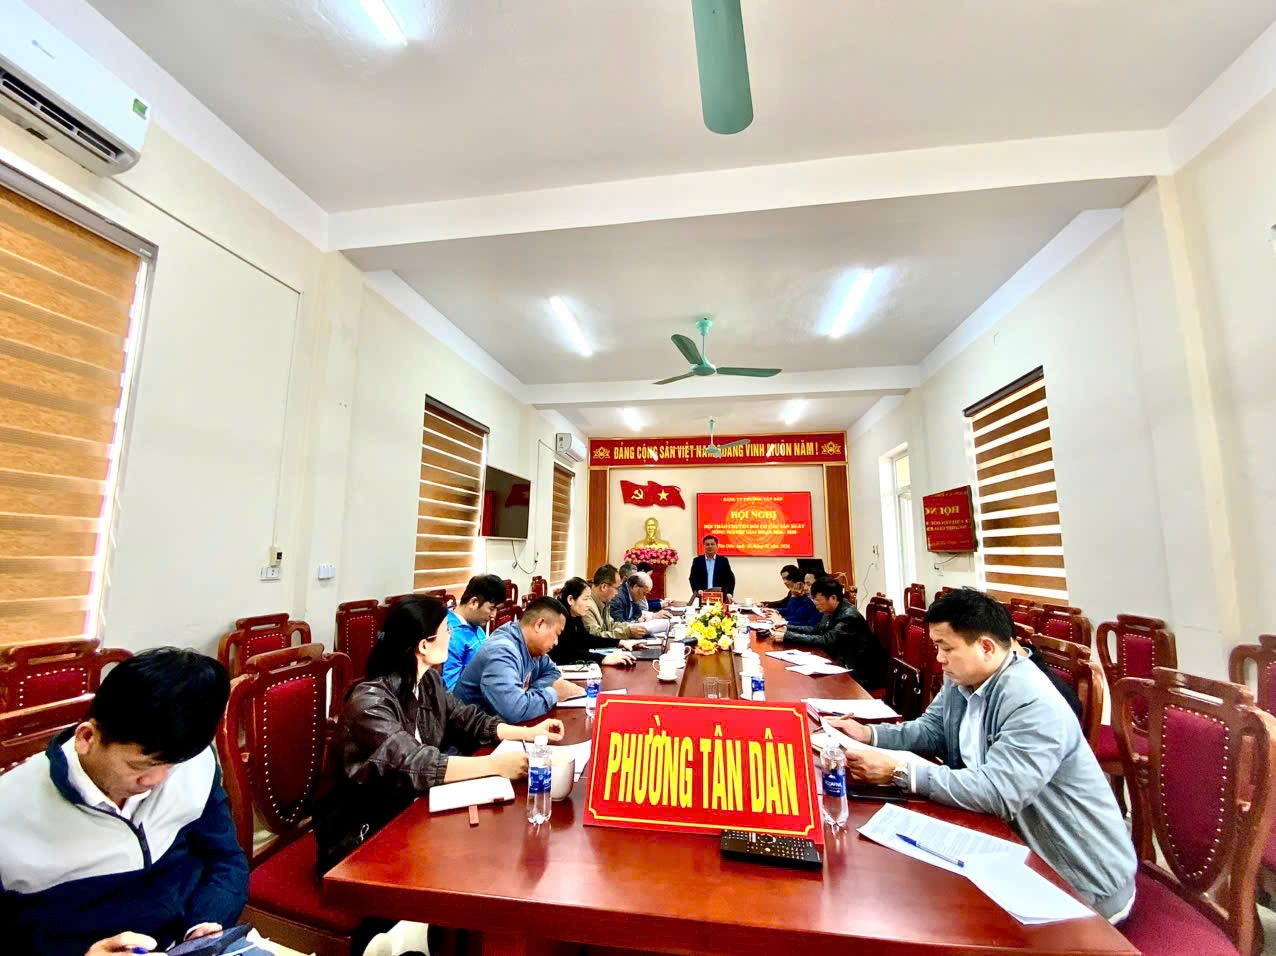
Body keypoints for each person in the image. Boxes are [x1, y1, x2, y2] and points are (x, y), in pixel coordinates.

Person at [828, 588, 1136, 921]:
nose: (939, 659)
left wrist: (900, 771)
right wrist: (868, 734)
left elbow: (998, 792)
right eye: (936, 647)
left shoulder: (1032, 701)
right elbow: (932, 730)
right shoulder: (964, 678)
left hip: (1078, 882)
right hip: (1009, 848)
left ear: (986, 647)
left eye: (947, 648)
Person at [0, 648, 248, 956]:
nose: (156, 780)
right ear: (86, 737)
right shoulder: (9, 811)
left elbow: (225, 859)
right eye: (138, 766)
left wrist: (203, 926)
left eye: (172, 765)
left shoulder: (192, 763)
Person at [315, 596, 563, 873]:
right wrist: (496, 765)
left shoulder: (428, 681)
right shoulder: (369, 703)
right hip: (365, 834)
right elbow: (416, 763)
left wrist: (528, 732)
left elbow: (469, 719)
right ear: (424, 645)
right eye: (447, 629)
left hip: (412, 809)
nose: (451, 636)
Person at [454, 597, 585, 722]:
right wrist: (553, 693)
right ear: (540, 624)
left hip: (498, 729)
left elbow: (553, 673)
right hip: (470, 735)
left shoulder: (532, 648)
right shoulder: (501, 651)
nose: (556, 642)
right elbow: (514, 711)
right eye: (557, 634)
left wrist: (530, 693)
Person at [770, 576, 885, 690]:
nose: (815, 603)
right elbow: (816, 629)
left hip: (859, 673)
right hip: (841, 661)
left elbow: (827, 640)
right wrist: (787, 628)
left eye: (818, 600)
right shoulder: (831, 609)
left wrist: (788, 636)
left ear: (833, 598)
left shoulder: (849, 616)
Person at [550, 577, 637, 668]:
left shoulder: (575, 615)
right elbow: (568, 653)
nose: (589, 604)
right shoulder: (560, 619)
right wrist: (603, 658)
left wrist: (619, 642)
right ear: (570, 599)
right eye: (585, 599)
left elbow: (586, 639)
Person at [441, 573, 505, 690]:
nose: (494, 615)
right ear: (474, 602)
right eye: (491, 609)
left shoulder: (474, 624)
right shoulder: (451, 635)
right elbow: (449, 690)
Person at [581, 564, 646, 643]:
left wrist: (632, 626)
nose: (618, 593)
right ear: (604, 587)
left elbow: (611, 625)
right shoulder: (587, 605)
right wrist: (627, 632)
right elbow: (596, 637)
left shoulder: (604, 602)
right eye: (617, 588)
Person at [688, 534, 735, 601]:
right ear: (703, 546)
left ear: (717, 546)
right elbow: (693, 578)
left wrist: (729, 593)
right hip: (702, 596)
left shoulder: (723, 561)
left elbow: (730, 579)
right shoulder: (697, 561)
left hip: (719, 597)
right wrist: (698, 590)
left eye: (712, 544)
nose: (710, 546)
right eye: (707, 544)